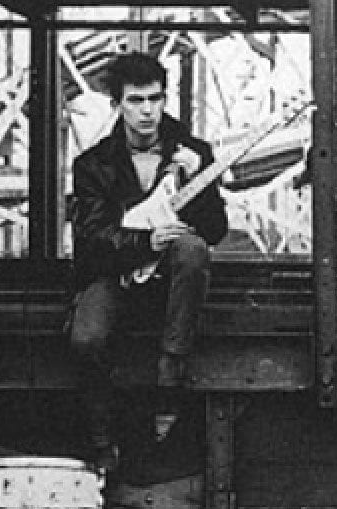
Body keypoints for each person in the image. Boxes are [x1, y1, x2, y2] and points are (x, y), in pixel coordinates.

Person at [70, 52, 227, 471]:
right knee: (86, 339)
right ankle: (103, 439)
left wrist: (199, 180)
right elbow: (91, 240)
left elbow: (214, 231)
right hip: (114, 274)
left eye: (154, 99)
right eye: (135, 100)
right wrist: (146, 240)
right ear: (117, 104)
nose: (146, 111)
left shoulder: (194, 153)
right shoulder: (91, 165)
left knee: (192, 249)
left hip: (171, 285)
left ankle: (169, 378)